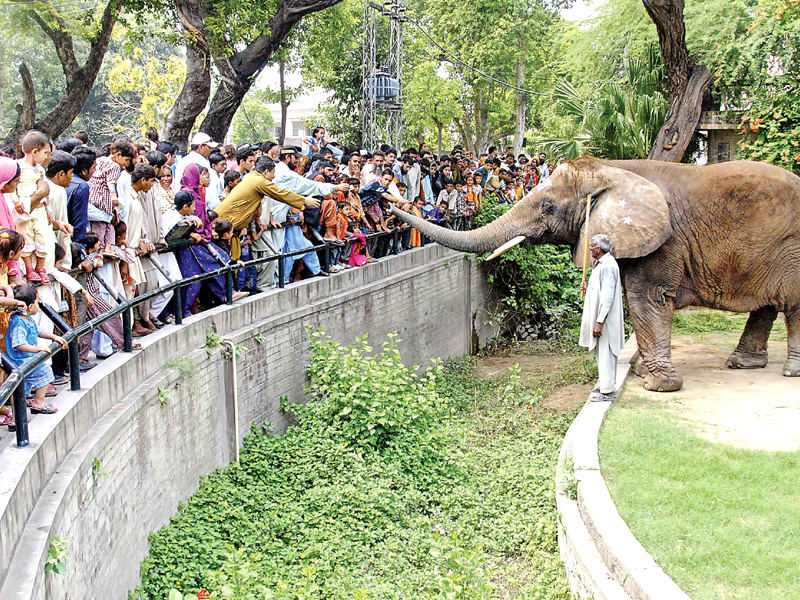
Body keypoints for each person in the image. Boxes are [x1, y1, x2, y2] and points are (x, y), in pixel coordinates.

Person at [6, 284, 68, 414]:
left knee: (22, 388)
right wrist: (37, 349)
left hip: (27, 358)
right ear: (29, 307)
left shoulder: (28, 319)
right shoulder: (18, 322)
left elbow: (38, 331)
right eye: (37, 302)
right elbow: (18, 344)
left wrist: (53, 336)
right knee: (45, 371)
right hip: (20, 360)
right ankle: (38, 401)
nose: (39, 306)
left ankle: (18, 413)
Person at [579, 234, 625, 402]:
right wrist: (588, 286)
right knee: (602, 352)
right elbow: (599, 288)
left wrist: (599, 321)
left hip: (605, 321)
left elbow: (607, 297)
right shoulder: (602, 264)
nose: (589, 248)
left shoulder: (607, 266)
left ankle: (607, 392)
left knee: (606, 352)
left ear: (598, 249)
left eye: (591, 246)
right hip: (603, 319)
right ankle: (606, 385)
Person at [14, 131, 54, 284]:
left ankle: (41, 268)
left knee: (42, 237)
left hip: (38, 209)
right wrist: (16, 201)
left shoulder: (40, 170)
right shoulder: (18, 166)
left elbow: (45, 190)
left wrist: (48, 210)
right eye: (45, 153)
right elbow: (14, 188)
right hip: (23, 210)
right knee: (26, 237)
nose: (46, 157)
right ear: (35, 151)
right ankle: (30, 269)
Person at [88, 137, 134, 254]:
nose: (126, 164)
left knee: (106, 225)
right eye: (126, 160)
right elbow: (111, 182)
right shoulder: (115, 167)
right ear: (118, 155)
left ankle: (104, 248)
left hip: (93, 197)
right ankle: (102, 249)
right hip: (103, 200)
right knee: (104, 226)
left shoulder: (100, 160)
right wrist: (114, 196)